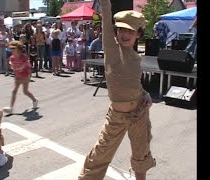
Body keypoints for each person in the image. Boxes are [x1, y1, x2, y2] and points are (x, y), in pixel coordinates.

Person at [78, 1, 156, 180]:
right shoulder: (112, 50)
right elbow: (106, 15)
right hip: (117, 117)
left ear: (138, 35)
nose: (125, 34)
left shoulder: (137, 58)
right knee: (99, 156)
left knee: (141, 153)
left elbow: (134, 83)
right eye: (122, 30)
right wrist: (105, 4)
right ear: (116, 32)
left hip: (140, 112)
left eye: (131, 31)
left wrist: (146, 94)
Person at [3, 41, 38, 114]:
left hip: (25, 76)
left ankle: (34, 100)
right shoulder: (12, 58)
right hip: (17, 77)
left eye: (13, 49)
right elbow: (14, 67)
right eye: (11, 49)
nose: (12, 50)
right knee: (14, 91)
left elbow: (27, 66)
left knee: (25, 91)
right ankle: (11, 108)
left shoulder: (23, 57)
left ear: (18, 49)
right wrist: (14, 71)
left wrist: (29, 75)